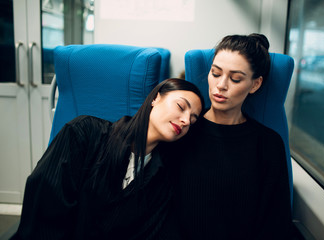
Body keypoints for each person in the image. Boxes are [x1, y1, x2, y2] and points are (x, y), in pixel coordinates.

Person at [11, 78, 204, 240]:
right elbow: (45, 206)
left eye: (192, 119)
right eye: (181, 107)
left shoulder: (163, 177)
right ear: (155, 98)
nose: (186, 120)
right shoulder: (83, 133)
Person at [159, 34, 293, 239]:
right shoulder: (182, 128)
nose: (221, 85)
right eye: (215, 73)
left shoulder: (268, 144)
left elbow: (275, 223)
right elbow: (159, 207)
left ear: (255, 84)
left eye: (235, 78)